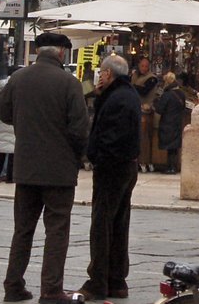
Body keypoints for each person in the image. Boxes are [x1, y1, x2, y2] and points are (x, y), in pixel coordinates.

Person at [0, 34, 88, 304]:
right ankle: (51, 290)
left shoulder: (19, 79)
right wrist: (76, 156)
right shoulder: (69, 83)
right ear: (61, 52)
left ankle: (13, 285)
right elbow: (80, 129)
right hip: (59, 171)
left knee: (23, 229)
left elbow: (2, 111)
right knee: (57, 230)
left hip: (26, 167)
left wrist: (24, 123)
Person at [78, 54, 141, 301]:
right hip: (126, 166)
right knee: (118, 223)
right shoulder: (127, 94)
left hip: (113, 168)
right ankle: (116, 280)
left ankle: (98, 280)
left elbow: (111, 136)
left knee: (102, 225)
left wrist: (96, 156)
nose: (99, 76)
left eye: (101, 72)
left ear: (108, 74)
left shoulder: (117, 98)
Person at [153, 72, 185, 174]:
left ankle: (170, 167)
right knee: (174, 148)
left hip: (167, 123)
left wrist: (155, 103)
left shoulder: (166, 95)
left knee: (170, 147)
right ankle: (174, 166)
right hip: (177, 123)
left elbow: (159, 109)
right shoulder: (181, 93)